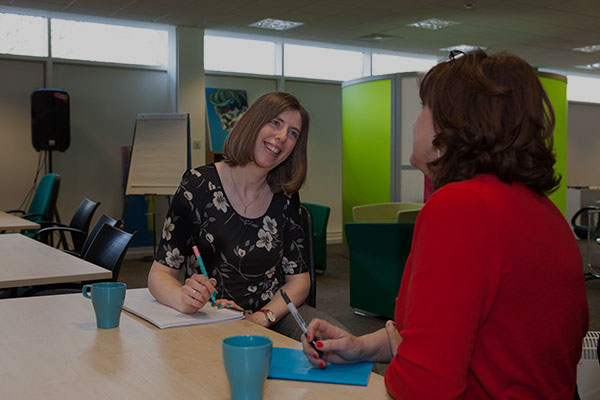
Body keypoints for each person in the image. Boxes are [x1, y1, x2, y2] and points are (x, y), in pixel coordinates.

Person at [301, 50, 589, 399]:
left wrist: (403, 356)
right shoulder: (539, 208)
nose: (415, 121)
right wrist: (362, 346)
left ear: (452, 129)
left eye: (424, 108)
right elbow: (465, 339)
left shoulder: (462, 208)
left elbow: (424, 386)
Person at [148, 91, 342, 340]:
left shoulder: (285, 197)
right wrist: (183, 299)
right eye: (276, 123)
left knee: (345, 350)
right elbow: (159, 275)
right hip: (209, 316)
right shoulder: (197, 185)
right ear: (254, 122)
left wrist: (261, 318)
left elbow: (299, 282)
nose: (282, 137)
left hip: (271, 315)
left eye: (293, 133)